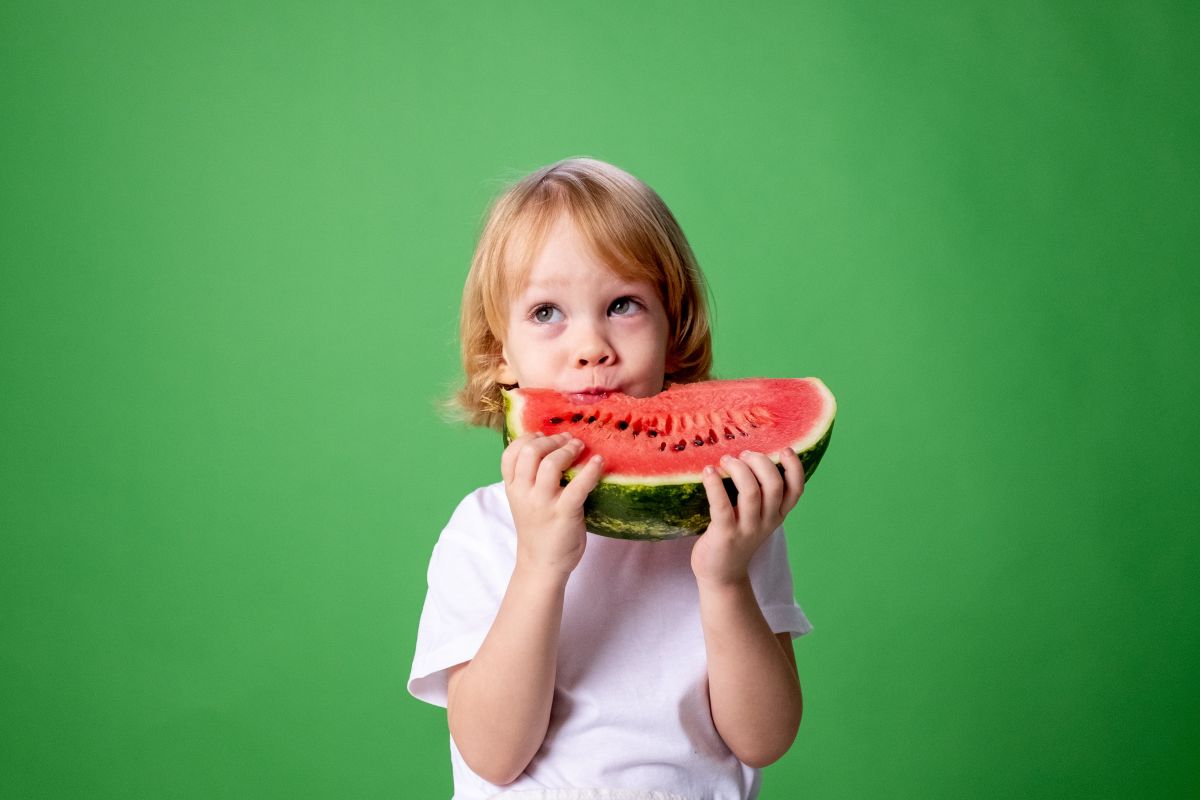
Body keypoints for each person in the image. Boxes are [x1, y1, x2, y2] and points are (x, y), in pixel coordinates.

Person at [409, 157, 812, 799]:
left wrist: (725, 577)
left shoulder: (733, 520)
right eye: (547, 312)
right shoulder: (483, 531)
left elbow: (764, 739)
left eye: (623, 304)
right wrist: (539, 566)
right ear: (499, 356)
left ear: (673, 334)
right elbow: (492, 754)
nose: (592, 345)